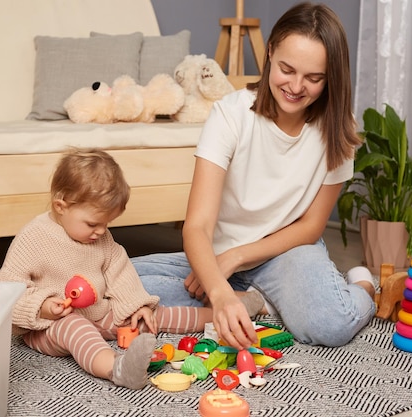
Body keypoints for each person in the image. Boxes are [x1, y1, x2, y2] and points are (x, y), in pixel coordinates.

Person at [132, 2, 376, 351]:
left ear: (331, 77)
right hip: (217, 255)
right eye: (287, 69)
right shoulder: (231, 115)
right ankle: (255, 302)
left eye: (313, 78)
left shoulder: (338, 129)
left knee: (330, 324)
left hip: (287, 252)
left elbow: (310, 227)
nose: (295, 86)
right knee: (116, 285)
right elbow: (197, 226)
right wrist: (218, 287)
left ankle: (362, 287)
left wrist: (236, 258)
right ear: (271, 52)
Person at [0, 148, 266, 389]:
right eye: (92, 224)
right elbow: (6, 290)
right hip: (49, 326)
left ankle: (223, 314)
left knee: (155, 315)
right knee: (77, 327)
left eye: (106, 224)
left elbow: (119, 271)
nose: (100, 232)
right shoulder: (34, 237)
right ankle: (117, 368)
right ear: (61, 206)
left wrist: (137, 306)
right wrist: (43, 306)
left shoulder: (101, 237)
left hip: (100, 312)